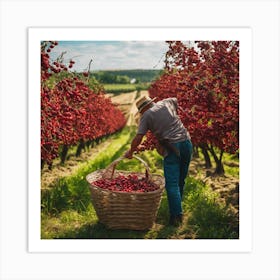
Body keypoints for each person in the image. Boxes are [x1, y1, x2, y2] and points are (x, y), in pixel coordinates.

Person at [124, 96, 193, 226]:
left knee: (172, 183)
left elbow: (139, 137)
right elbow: (179, 103)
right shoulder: (168, 101)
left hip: (172, 147)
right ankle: (178, 209)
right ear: (152, 102)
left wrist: (131, 151)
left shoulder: (146, 116)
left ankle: (176, 217)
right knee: (181, 179)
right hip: (186, 142)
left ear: (143, 109)